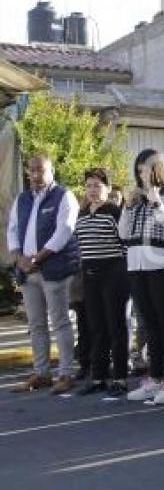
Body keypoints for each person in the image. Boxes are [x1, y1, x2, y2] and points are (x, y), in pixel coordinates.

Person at [7, 154, 80, 394]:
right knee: (36, 324)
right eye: (32, 170)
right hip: (27, 271)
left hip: (52, 270)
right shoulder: (22, 199)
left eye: (41, 170)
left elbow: (64, 231)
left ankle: (66, 373)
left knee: (60, 322)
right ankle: (42, 373)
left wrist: (37, 258)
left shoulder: (63, 196)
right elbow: (13, 230)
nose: (36, 175)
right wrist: (20, 259)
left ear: (52, 171)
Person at [119, 149, 164, 404]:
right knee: (149, 325)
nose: (142, 175)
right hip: (137, 264)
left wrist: (157, 202)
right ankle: (155, 378)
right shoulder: (135, 197)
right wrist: (127, 205)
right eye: (138, 171)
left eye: (146, 170)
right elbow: (124, 234)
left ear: (157, 168)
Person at [74, 168, 130, 397]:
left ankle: (119, 378)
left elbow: (125, 243)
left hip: (113, 273)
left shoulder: (115, 212)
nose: (93, 190)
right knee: (95, 327)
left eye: (97, 185)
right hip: (90, 274)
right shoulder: (82, 213)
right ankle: (98, 377)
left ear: (107, 188)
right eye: (89, 186)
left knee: (115, 326)